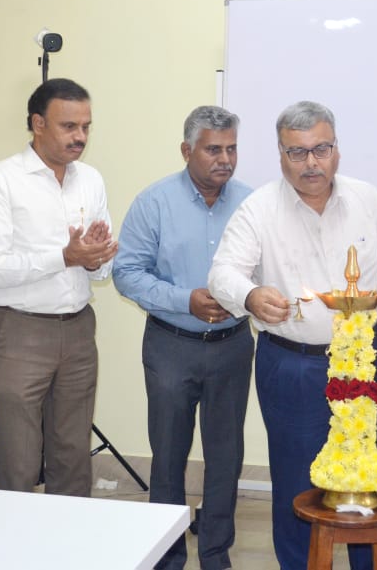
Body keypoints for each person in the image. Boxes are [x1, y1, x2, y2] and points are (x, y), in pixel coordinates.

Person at [208, 100, 377, 570]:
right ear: (281, 154)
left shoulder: (368, 200)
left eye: (321, 149)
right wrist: (249, 295)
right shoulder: (258, 209)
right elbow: (222, 273)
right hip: (292, 362)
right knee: (297, 484)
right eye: (297, 152)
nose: (311, 163)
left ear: (336, 149)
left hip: (363, 358)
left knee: (363, 475)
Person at [113, 106, 253, 570]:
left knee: (226, 456)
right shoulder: (154, 202)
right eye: (213, 149)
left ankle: (215, 554)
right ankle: (167, 557)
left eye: (231, 149)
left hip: (233, 346)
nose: (225, 159)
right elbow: (127, 273)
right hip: (171, 345)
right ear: (186, 150)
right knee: (168, 455)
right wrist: (183, 300)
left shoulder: (252, 204)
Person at [0, 77, 117, 496]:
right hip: (20, 330)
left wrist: (96, 258)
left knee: (72, 451)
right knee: (19, 453)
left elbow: (99, 271)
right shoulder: (0, 179)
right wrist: (65, 257)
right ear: (38, 124)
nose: (80, 137)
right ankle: (16, 533)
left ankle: (69, 534)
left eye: (86, 126)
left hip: (78, 327)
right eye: (69, 126)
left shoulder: (90, 179)